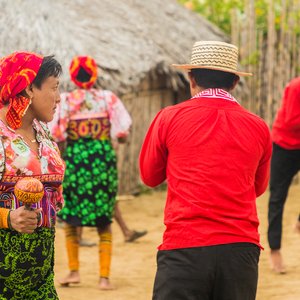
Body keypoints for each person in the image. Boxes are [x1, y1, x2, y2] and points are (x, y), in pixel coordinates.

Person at [139, 41, 272, 300]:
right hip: (240, 251)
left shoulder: (169, 118)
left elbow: (149, 176)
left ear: (191, 78)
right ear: (234, 82)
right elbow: (258, 187)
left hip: (184, 248)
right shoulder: (259, 127)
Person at [50, 55, 132, 290]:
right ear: (94, 75)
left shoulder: (65, 101)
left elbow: (56, 133)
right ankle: (104, 278)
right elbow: (122, 132)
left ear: (74, 77)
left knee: (72, 219)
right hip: (102, 165)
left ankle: (74, 272)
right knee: (103, 220)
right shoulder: (108, 99)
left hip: (76, 165)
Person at [0, 52, 64, 299]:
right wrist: (8, 218)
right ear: (28, 89)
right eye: (54, 88)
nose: (58, 98)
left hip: (41, 280)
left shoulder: (42, 133)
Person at [268, 77, 300, 274]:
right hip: (285, 144)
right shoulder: (296, 87)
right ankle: (275, 249)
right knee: (277, 197)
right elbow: (292, 120)